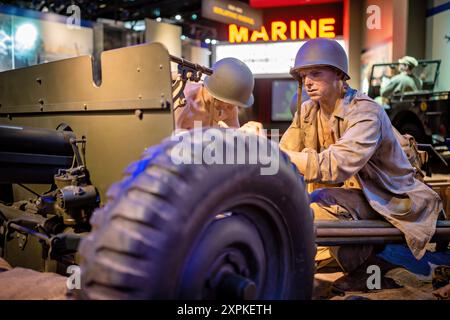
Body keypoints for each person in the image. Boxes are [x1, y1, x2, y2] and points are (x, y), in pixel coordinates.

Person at [279, 38, 442, 273]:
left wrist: (277, 156)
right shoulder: (308, 111)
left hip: (388, 196)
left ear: (338, 75)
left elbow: (336, 165)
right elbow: (287, 152)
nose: (308, 82)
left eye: (315, 73)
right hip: (352, 193)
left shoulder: (366, 111)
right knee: (297, 208)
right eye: (303, 76)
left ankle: (364, 269)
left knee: (315, 210)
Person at [174, 57, 260, 134]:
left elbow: (235, 144)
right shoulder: (183, 101)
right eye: (230, 105)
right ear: (219, 96)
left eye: (232, 106)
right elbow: (167, 142)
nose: (230, 108)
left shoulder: (229, 107)